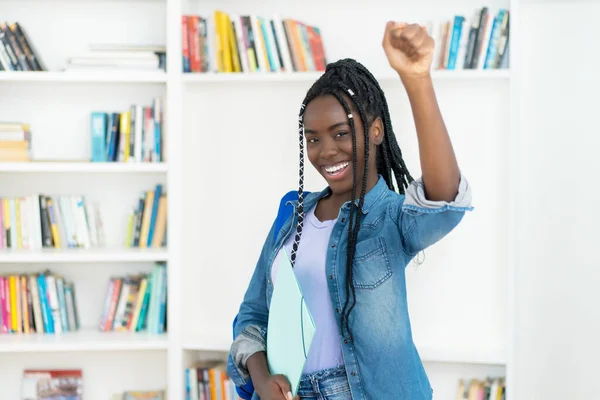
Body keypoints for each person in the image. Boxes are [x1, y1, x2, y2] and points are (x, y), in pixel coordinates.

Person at [226, 21, 473, 400]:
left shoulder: (391, 218)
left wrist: (417, 79)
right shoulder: (291, 216)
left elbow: (443, 202)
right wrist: (261, 379)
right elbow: (252, 318)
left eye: (341, 133)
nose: (326, 151)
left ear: (375, 131)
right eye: (313, 139)